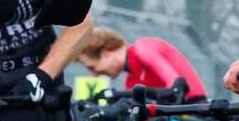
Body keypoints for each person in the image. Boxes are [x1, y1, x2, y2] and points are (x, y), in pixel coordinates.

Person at [79, 28, 209, 100]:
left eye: (92, 67)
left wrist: (116, 95)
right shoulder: (131, 82)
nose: (95, 75)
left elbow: (175, 89)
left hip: (196, 112)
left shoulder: (142, 48)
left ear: (105, 53)